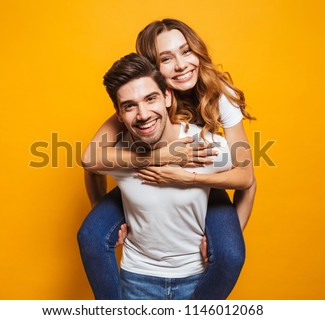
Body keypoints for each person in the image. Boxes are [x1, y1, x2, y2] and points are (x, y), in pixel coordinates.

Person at [79, 18, 256, 300]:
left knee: (230, 253)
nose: (181, 65)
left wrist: (189, 178)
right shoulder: (140, 98)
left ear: (166, 96)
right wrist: (160, 156)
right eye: (166, 58)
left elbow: (246, 176)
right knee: (90, 235)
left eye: (186, 51)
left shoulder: (220, 95)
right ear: (154, 68)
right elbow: (90, 159)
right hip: (147, 175)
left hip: (205, 179)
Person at [99, 52, 234, 299]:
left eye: (151, 99)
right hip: (137, 278)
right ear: (119, 115)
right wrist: (97, 205)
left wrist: (227, 243)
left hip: (198, 279)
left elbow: (247, 181)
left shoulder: (202, 146)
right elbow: (91, 167)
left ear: (168, 97)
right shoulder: (117, 153)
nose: (143, 114)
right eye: (129, 106)